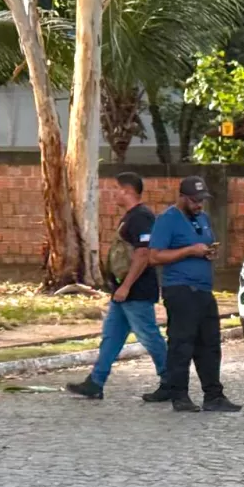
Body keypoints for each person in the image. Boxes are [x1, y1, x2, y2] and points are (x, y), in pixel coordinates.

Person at [67, 172, 169, 401]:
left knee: (149, 336)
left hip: (136, 291)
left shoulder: (141, 217)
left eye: (116, 189)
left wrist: (127, 287)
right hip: (122, 292)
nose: (113, 193)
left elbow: (143, 254)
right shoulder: (130, 217)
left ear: (127, 191)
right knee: (111, 337)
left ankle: (170, 379)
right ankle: (95, 382)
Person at [148, 176, 241, 413]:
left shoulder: (203, 218)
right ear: (182, 197)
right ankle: (179, 395)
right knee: (182, 343)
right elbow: (155, 256)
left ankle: (213, 395)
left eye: (202, 200)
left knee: (210, 344)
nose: (199, 204)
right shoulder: (167, 220)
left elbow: (203, 245)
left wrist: (208, 252)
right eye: (194, 200)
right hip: (180, 289)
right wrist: (189, 250)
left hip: (203, 289)